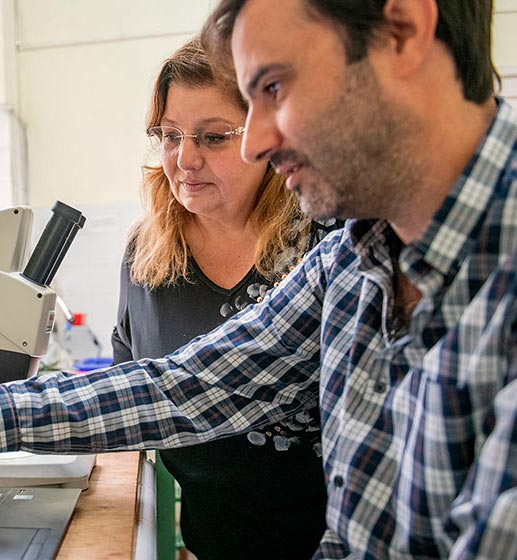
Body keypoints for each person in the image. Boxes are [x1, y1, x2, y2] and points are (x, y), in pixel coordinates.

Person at [0, 1, 517, 557]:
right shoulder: (357, 259)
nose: (255, 142)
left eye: (274, 89)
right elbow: (180, 388)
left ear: (402, 30)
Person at [112, 38, 331, 559]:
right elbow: (130, 393)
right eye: (169, 136)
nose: (184, 159)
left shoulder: (322, 237)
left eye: (213, 137)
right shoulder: (147, 254)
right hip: (216, 543)